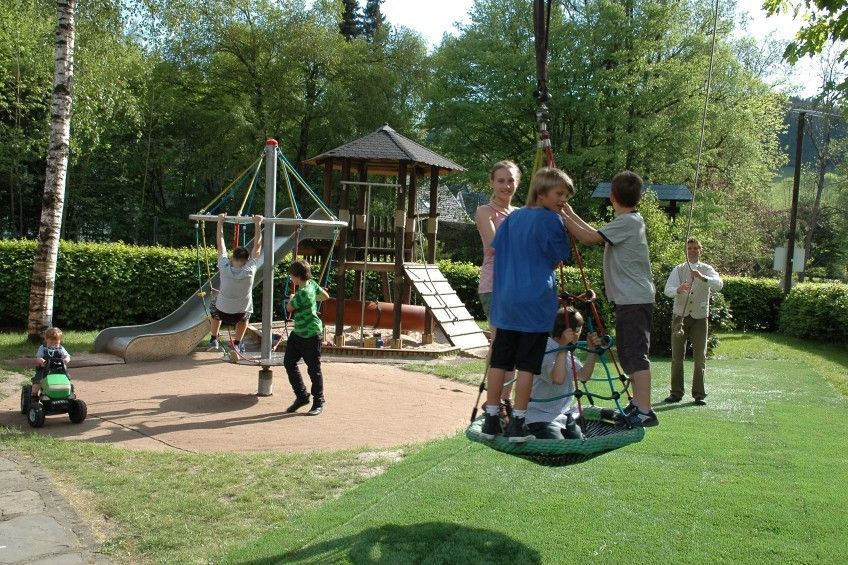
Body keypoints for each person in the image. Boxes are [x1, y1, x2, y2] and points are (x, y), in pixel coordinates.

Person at [479, 167, 572, 443]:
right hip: (534, 303)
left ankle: (491, 418)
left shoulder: (514, 217)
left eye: (566, 196)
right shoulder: (554, 221)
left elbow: (493, 249)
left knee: (500, 360)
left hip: (506, 300)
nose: (563, 201)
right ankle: (519, 422)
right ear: (541, 193)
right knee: (527, 366)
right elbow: (558, 259)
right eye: (559, 194)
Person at [561, 171, 658, 427]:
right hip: (632, 299)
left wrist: (560, 213)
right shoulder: (629, 221)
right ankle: (638, 404)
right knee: (629, 353)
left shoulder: (628, 222)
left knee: (636, 355)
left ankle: (645, 410)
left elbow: (589, 238)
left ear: (612, 197)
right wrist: (569, 212)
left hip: (634, 300)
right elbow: (594, 232)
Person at [475, 160, 520, 424]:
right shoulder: (485, 211)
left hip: (517, 286)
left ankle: (506, 398)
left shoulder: (518, 213)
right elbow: (493, 246)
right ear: (492, 182)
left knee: (514, 346)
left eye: (511, 180)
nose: (506, 185)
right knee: (502, 343)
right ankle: (494, 401)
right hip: (495, 285)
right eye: (501, 180)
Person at [663, 238, 723, 406]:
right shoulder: (678, 269)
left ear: (700, 250)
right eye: (690, 248)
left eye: (696, 248)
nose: (693, 250)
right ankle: (676, 393)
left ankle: (699, 394)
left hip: (699, 317)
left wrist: (703, 278)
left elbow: (719, 284)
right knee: (677, 357)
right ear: (686, 251)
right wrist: (678, 289)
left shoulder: (707, 269)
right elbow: (667, 290)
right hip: (679, 317)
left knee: (699, 357)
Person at [526, 306, 600, 440]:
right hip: (538, 415)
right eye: (579, 331)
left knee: (578, 443)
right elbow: (558, 378)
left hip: (562, 413)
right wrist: (563, 349)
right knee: (558, 446)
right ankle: (527, 431)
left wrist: (591, 350)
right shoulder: (545, 349)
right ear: (573, 332)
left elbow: (583, 375)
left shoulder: (565, 349)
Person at [208, 213, 263, 352]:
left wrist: (219, 222)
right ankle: (237, 344)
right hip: (240, 313)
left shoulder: (224, 266)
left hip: (221, 312)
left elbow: (220, 244)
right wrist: (258, 223)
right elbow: (257, 247)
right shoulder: (250, 270)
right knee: (246, 317)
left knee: (214, 304)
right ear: (247, 260)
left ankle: (213, 339)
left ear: (232, 258)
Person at [283, 259, 330, 416]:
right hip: (298, 333)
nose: (291, 278)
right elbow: (325, 296)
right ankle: (302, 396)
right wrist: (311, 301)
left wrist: (292, 298)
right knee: (289, 362)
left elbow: (289, 308)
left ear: (296, 276)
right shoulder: (312, 285)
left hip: (310, 335)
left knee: (314, 369)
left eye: (291, 276)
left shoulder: (302, 293)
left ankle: (318, 401)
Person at [32, 327, 71, 399]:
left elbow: (67, 356)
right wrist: (42, 361)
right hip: (44, 369)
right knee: (38, 380)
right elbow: (38, 357)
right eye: (51, 343)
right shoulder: (43, 348)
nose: (53, 345)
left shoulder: (61, 348)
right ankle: (34, 394)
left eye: (56, 343)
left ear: (59, 341)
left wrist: (66, 359)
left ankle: (69, 392)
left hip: (59, 369)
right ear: (46, 339)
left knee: (68, 378)